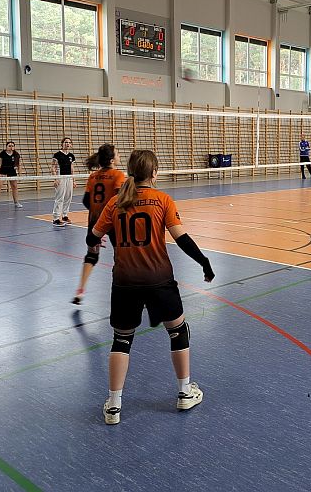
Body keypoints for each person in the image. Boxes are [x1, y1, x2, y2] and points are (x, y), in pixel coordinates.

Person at [88, 149, 215, 425]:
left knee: (121, 339)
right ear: (154, 173)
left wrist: (106, 238)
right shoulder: (162, 200)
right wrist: (204, 262)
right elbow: (182, 239)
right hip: (159, 279)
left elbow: (92, 236)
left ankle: (114, 405)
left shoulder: (115, 203)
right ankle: (184, 392)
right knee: (178, 331)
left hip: (125, 281)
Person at [72, 144, 125, 305]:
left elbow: (86, 201)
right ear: (112, 160)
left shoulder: (93, 176)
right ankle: (124, 291)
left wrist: (99, 227)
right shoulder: (118, 175)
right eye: (117, 153)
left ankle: (80, 291)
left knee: (91, 256)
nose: (119, 156)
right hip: (112, 222)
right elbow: (118, 200)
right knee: (121, 257)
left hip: (95, 222)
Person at [51, 137, 76, 227]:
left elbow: (72, 168)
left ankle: (65, 216)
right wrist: (55, 179)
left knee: (68, 197)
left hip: (69, 178)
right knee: (59, 198)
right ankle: (56, 219)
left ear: (71, 145)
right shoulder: (57, 155)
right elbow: (53, 167)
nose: (67, 144)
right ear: (62, 144)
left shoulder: (71, 156)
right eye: (65, 142)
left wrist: (74, 180)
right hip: (60, 177)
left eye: (69, 142)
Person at [0, 141, 22, 209]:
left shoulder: (16, 154)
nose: (11, 147)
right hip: (3, 170)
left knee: (14, 186)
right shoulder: (2, 153)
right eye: (9, 146)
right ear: (6, 147)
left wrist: (20, 174)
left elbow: (19, 165)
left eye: (12, 146)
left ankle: (16, 202)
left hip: (12, 171)